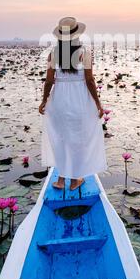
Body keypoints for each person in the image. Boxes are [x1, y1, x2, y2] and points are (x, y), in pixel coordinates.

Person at [39, 17, 107, 190]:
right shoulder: (85, 53)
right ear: (77, 35)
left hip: (59, 100)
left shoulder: (53, 54)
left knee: (61, 138)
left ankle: (61, 179)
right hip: (80, 99)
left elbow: (48, 81)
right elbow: (90, 80)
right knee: (79, 138)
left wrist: (44, 101)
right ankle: (76, 179)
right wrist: (98, 104)